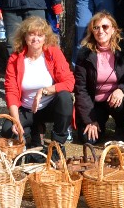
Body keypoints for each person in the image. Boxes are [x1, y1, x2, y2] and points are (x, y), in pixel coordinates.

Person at [5, 17, 74, 148]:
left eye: (40, 35)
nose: (36, 39)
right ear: (24, 37)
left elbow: (69, 82)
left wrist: (44, 91)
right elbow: (11, 91)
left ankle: (58, 143)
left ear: (45, 39)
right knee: (7, 130)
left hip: (50, 107)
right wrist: (16, 121)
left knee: (65, 97)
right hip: (27, 109)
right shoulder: (15, 58)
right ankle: (34, 131)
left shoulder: (54, 53)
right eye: (31, 34)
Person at [73, 12, 124, 144]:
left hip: (118, 100)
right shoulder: (84, 54)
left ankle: (120, 126)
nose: (100, 31)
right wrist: (89, 120)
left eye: (105, 27)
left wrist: (122, 89)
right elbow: (81, 89)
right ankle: (99, 124)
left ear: (113, 29)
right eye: (96, 27)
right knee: (88, 139)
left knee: (119, 104)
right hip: (95, 102)